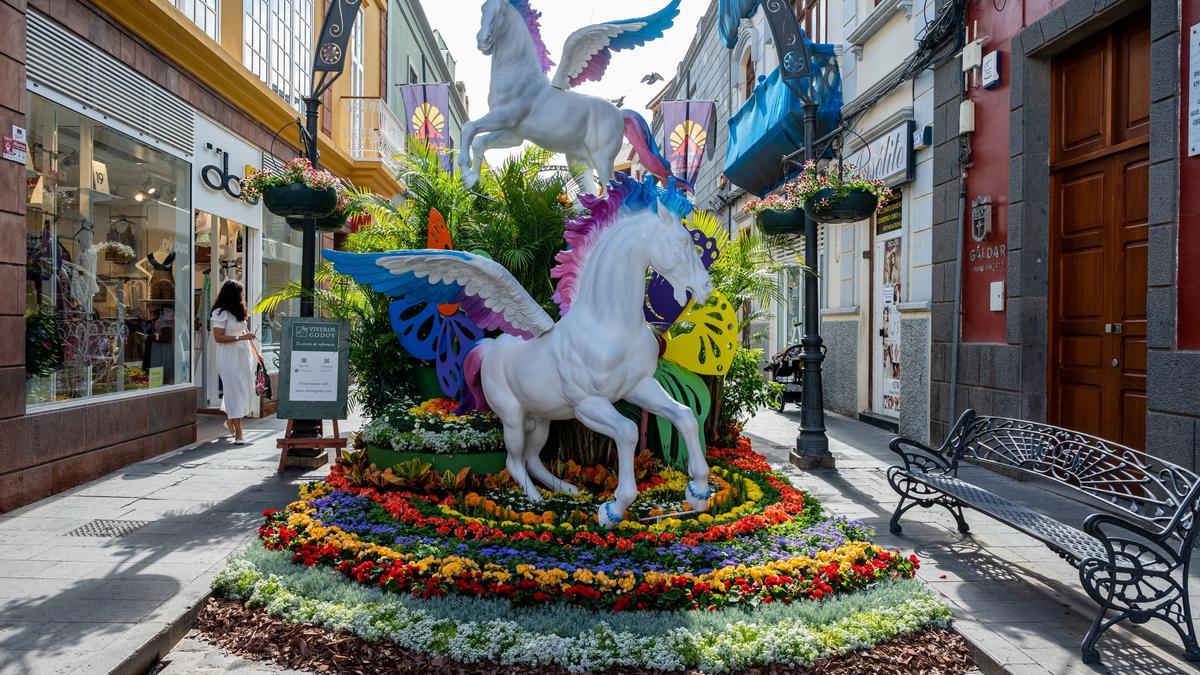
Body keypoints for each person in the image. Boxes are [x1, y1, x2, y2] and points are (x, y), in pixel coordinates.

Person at [210, 279, 259, 444]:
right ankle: (239, 432)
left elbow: (245, 331)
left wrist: (256, 353)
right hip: (228, 357)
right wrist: (242, 337)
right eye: (241, 293)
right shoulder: (219, 313)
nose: (243, 296)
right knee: (235, 391)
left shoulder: (239, 310)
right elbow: (218, 337)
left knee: (242, 390)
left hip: (244, 356)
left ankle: (230, 420)